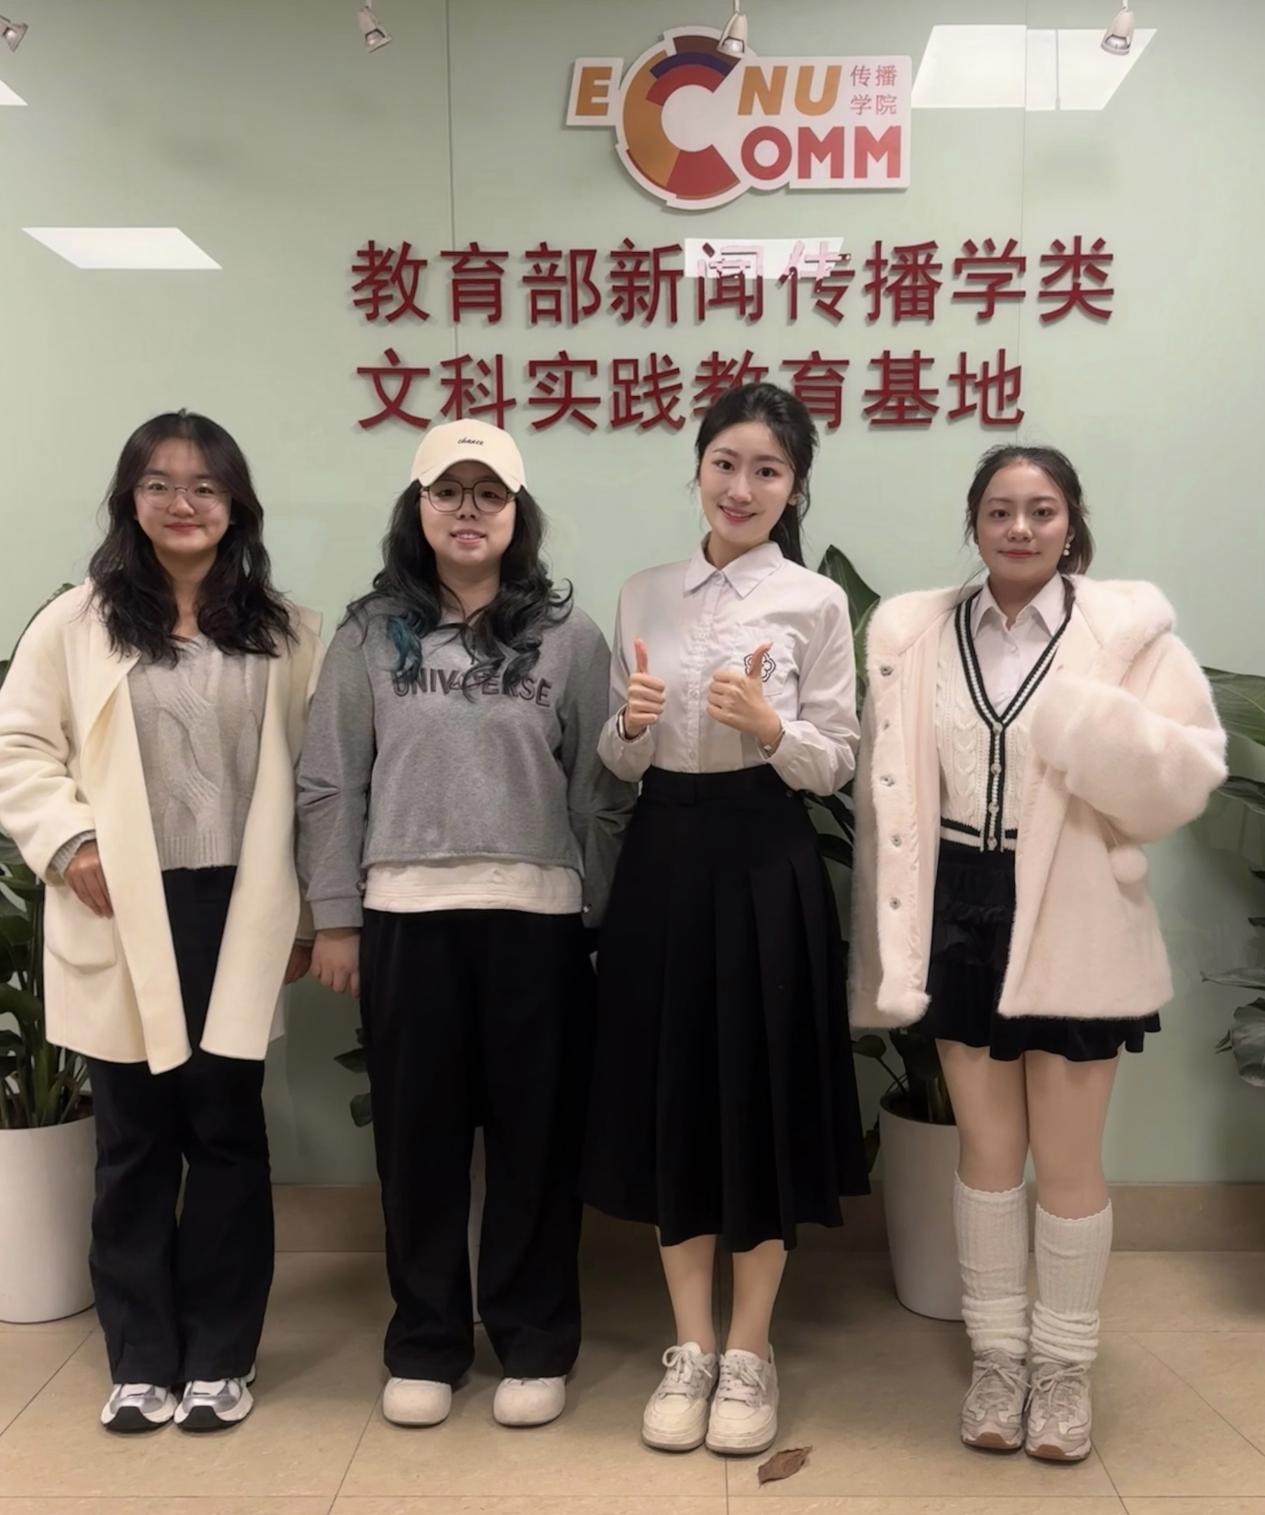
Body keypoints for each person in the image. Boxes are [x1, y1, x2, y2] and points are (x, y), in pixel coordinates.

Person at [849, 444, 1227, 1462]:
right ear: (973, 522)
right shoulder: (918, 632)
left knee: (1065, 1158)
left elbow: (1185, 777)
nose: (1019, 528)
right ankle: (997, 1358)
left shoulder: (1125, 635)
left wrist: (1085, 725)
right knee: (983, 1151)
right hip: (957, 905)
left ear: (1070, 523)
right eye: (1000, 509)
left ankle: (1061, 1369)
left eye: (1041, 510)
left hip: (1075, 910)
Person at [298, 419, 633, 1432]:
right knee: (418, 1144)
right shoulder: (367, 636)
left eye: (490, 493)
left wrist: (602, 917)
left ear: (517, 513)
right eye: (448, 492)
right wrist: (335, 918)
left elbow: (599, 791)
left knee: (535, 1143)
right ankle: (426, 1342)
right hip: (406, 921)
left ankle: (533, 1340)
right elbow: (330, 781)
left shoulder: (569, 638)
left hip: (538, 922)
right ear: (418, 510)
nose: (468, 511)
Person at [0, 411, 322, 1433]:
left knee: (225, 1128)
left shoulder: (286, 632)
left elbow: (318, 781)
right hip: (119, 901)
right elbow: (18, 745)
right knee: (134, 1135)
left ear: (236, 506)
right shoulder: (77, 623)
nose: (183, 504)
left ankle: (222, 1355)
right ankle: (141, 1358)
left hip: (239, 905)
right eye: (160, 484)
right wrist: (70, 843)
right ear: (129, 499)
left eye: (205, 487)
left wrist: (309, 918)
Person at [584, 382, 868, 1456]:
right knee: (673, 1088)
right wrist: (627, 726)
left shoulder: (813, 602)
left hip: (764, 858)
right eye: (725, 463)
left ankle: (750, 1350)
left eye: (767, 470)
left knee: (758, 1091)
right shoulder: (642, 592)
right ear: (697, 468)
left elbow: (836, 760)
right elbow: (617, 762)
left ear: (793, 487)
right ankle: (690, 1345)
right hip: (662, 854)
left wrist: (769, 729)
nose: (741, 487)